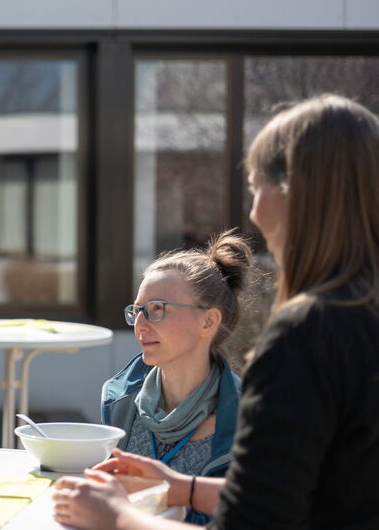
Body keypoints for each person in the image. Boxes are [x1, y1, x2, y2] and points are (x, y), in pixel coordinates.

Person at [52, 95, 379, 529]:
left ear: (295, 194)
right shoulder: (359, 316)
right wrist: (180, 487)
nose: (254, 213)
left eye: (257, 188)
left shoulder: (308, 334)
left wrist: (114, 517)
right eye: (139, 310)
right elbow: (315, 490)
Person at [102, 231, 251, 524]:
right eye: (137, 311)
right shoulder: (120, 400)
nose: (140, 325)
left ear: (208, 321)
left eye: (157, 310)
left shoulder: (249, 421)